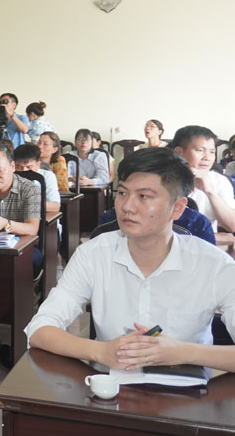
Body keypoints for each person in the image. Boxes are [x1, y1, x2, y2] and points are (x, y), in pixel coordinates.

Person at [26, 148, 235, 373]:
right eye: (123, 193)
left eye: (144, 196)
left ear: (177, 208)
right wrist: (101, 351)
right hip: (109, 387)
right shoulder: (93, 254)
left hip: (190, 389)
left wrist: (182, 352)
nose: (127, 206)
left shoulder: (214, 265)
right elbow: (39, 329)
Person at [172, 125, 235, 232]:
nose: (207, 157)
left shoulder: (219, 181)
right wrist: (217, 238)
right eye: (200, 150)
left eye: (212, 152)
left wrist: (209, 192)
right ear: (179, 152)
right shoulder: (162, 179)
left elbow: (232, 225)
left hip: (205, 242)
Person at [0, 144, 40, 238]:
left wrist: (5, 224)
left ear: (12, 166)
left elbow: (32, 229)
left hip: (22, 244)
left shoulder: (29, 189)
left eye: (0, 170)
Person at [12, 143, 60, 213]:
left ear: (38, 164)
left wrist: (27, 204)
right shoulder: (10, 175)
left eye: (29, 167)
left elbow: (55, 206)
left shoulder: (47, 176)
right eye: (18, 167)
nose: (24, 170)